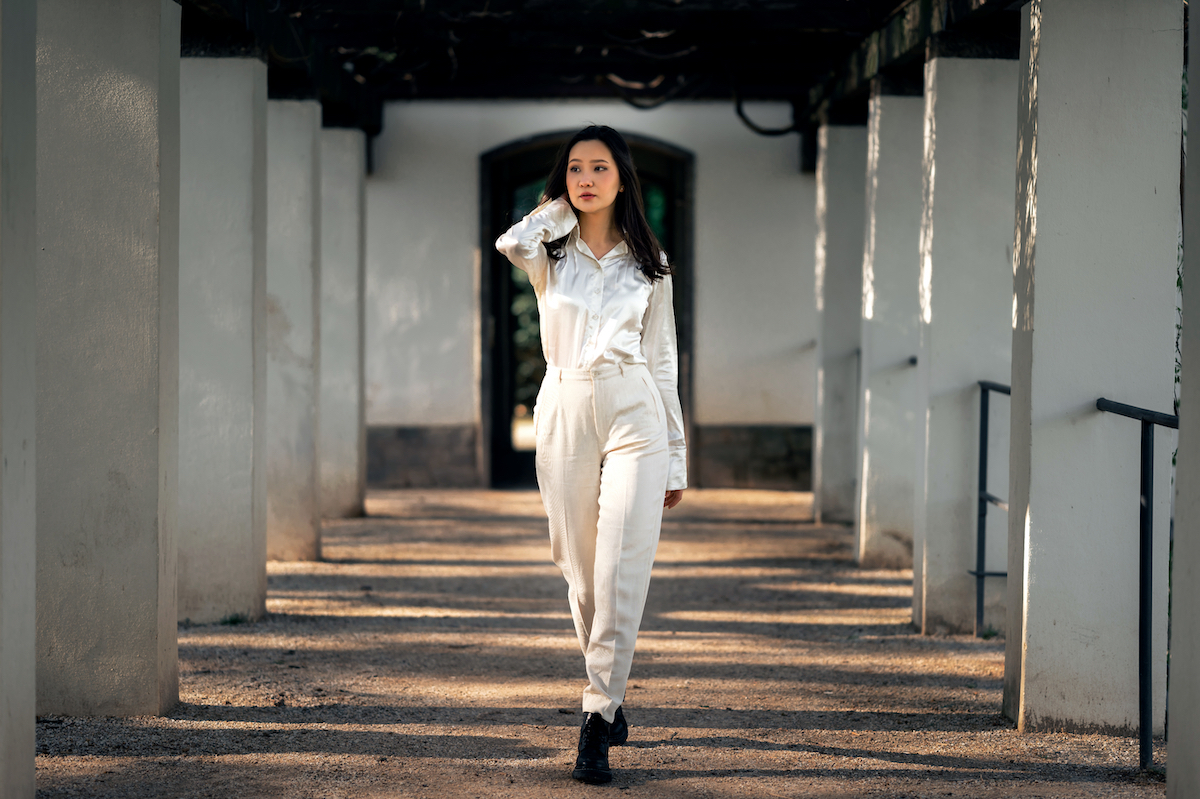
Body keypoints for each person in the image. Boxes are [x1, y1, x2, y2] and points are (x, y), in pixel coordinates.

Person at [496, 125, 687, 784]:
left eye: (599, 168)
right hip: (567, 400)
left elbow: (663, 361)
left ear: (622, 178)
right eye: (574, 168)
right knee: (579, 572)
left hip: (635, 407)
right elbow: (510, 242)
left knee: (619, 569)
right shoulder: (547, 250)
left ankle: (597, 714)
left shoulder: (650, 263)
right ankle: (610, 682)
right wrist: (554, 210)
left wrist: (677, 453)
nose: (586, 178)